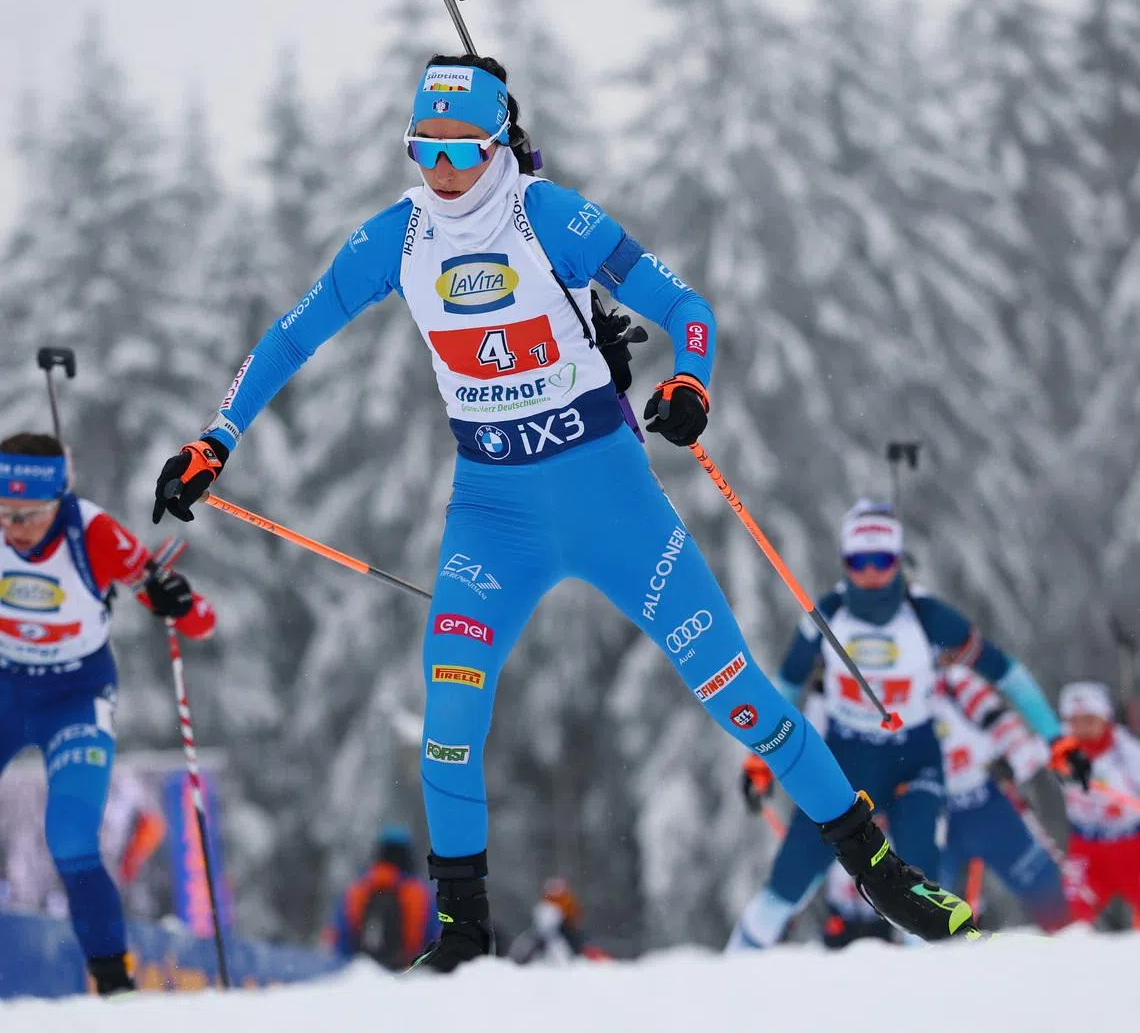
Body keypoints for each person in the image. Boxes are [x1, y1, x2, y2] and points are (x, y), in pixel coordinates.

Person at [152, 53, 986, 972]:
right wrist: (216, 438)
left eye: (460, 151)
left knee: (740, 693)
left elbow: (685, 306)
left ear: (498, 144)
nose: (440, 170)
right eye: (421, 149)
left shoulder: (546, 215)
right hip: (491, 511)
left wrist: (689, 385)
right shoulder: (394, 240)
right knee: (449, 716)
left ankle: (877, 869)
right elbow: (291, 334)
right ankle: (465, 935)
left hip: (606, 492)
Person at [728, 500, 1087, 950]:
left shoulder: (928, 616)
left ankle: (927, 997)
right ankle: (725, 984)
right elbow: (783, 686)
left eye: (884, 559)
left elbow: (1006, 672)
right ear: (845, 561)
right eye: (861, 560)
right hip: (844, 760)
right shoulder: (824, 615)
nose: (873, 571)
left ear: (898, 560)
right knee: (789, 880)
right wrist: (760, 760)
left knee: (919, 890)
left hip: (912, 760)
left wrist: (1055, 738)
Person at [0, 433, 214, 995]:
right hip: (5, 688)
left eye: (26, 516)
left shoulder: (91, 532)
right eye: (4, 514)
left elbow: (185, 611)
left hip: (76, 695)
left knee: (70, 837)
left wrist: (180, 603)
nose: (13, 529)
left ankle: (113, 984)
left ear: (57, 501)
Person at [935, 666, 1068, 932]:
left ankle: (1074, 944)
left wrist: (1012, 764)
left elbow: (1006, 726)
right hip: (934, 813)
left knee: (1045, 889)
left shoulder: (956, 682)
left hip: (987, 804)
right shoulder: (880, 687)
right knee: (924, 900)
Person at [1056, 681, 1140, 925]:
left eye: (1089, 720)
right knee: (1069, 916)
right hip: (1086, 849)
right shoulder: (1061, 746)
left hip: (1131, 845)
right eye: (1075, 721)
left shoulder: (1126, 750)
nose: (1082, 728)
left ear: (1105, 719)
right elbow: (1026, 754)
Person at [322, 824, 437, 970]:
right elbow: (435, 939)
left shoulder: (357, 890)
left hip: (358, 976)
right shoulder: (422, 893)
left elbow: (339, 937)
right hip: (407, 976)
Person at [508, 876, 609, 965]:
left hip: (565, 928)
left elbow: (574, 914)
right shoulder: (550, 903)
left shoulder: (563, 901)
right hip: (557, 930)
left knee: (578, 944)